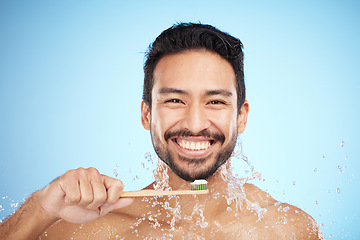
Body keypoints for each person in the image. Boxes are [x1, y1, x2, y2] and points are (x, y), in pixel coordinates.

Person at [0, 23, 323, 239]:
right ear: (146, 114)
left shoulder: (287, 229)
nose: (195, 124)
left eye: (215, 102)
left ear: (241, 116)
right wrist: (41, 208)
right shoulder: (93, 231)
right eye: (174, 100)